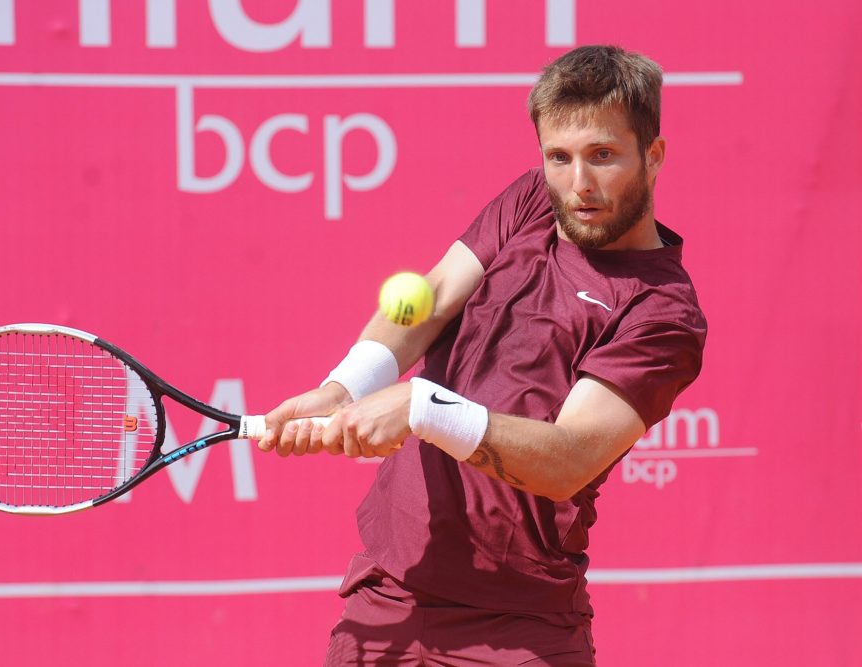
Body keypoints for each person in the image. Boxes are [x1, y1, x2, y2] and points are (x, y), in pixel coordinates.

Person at [258, 44, 707, 666]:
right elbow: (435, 297)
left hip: (520, 626)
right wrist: (342, 389)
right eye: (560, 157)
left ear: (652, 156)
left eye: (603, 156)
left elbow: (567, 459)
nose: (578, 183)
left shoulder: (662, 314)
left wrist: (423, 406)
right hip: (391, 593)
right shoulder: (533, 202)